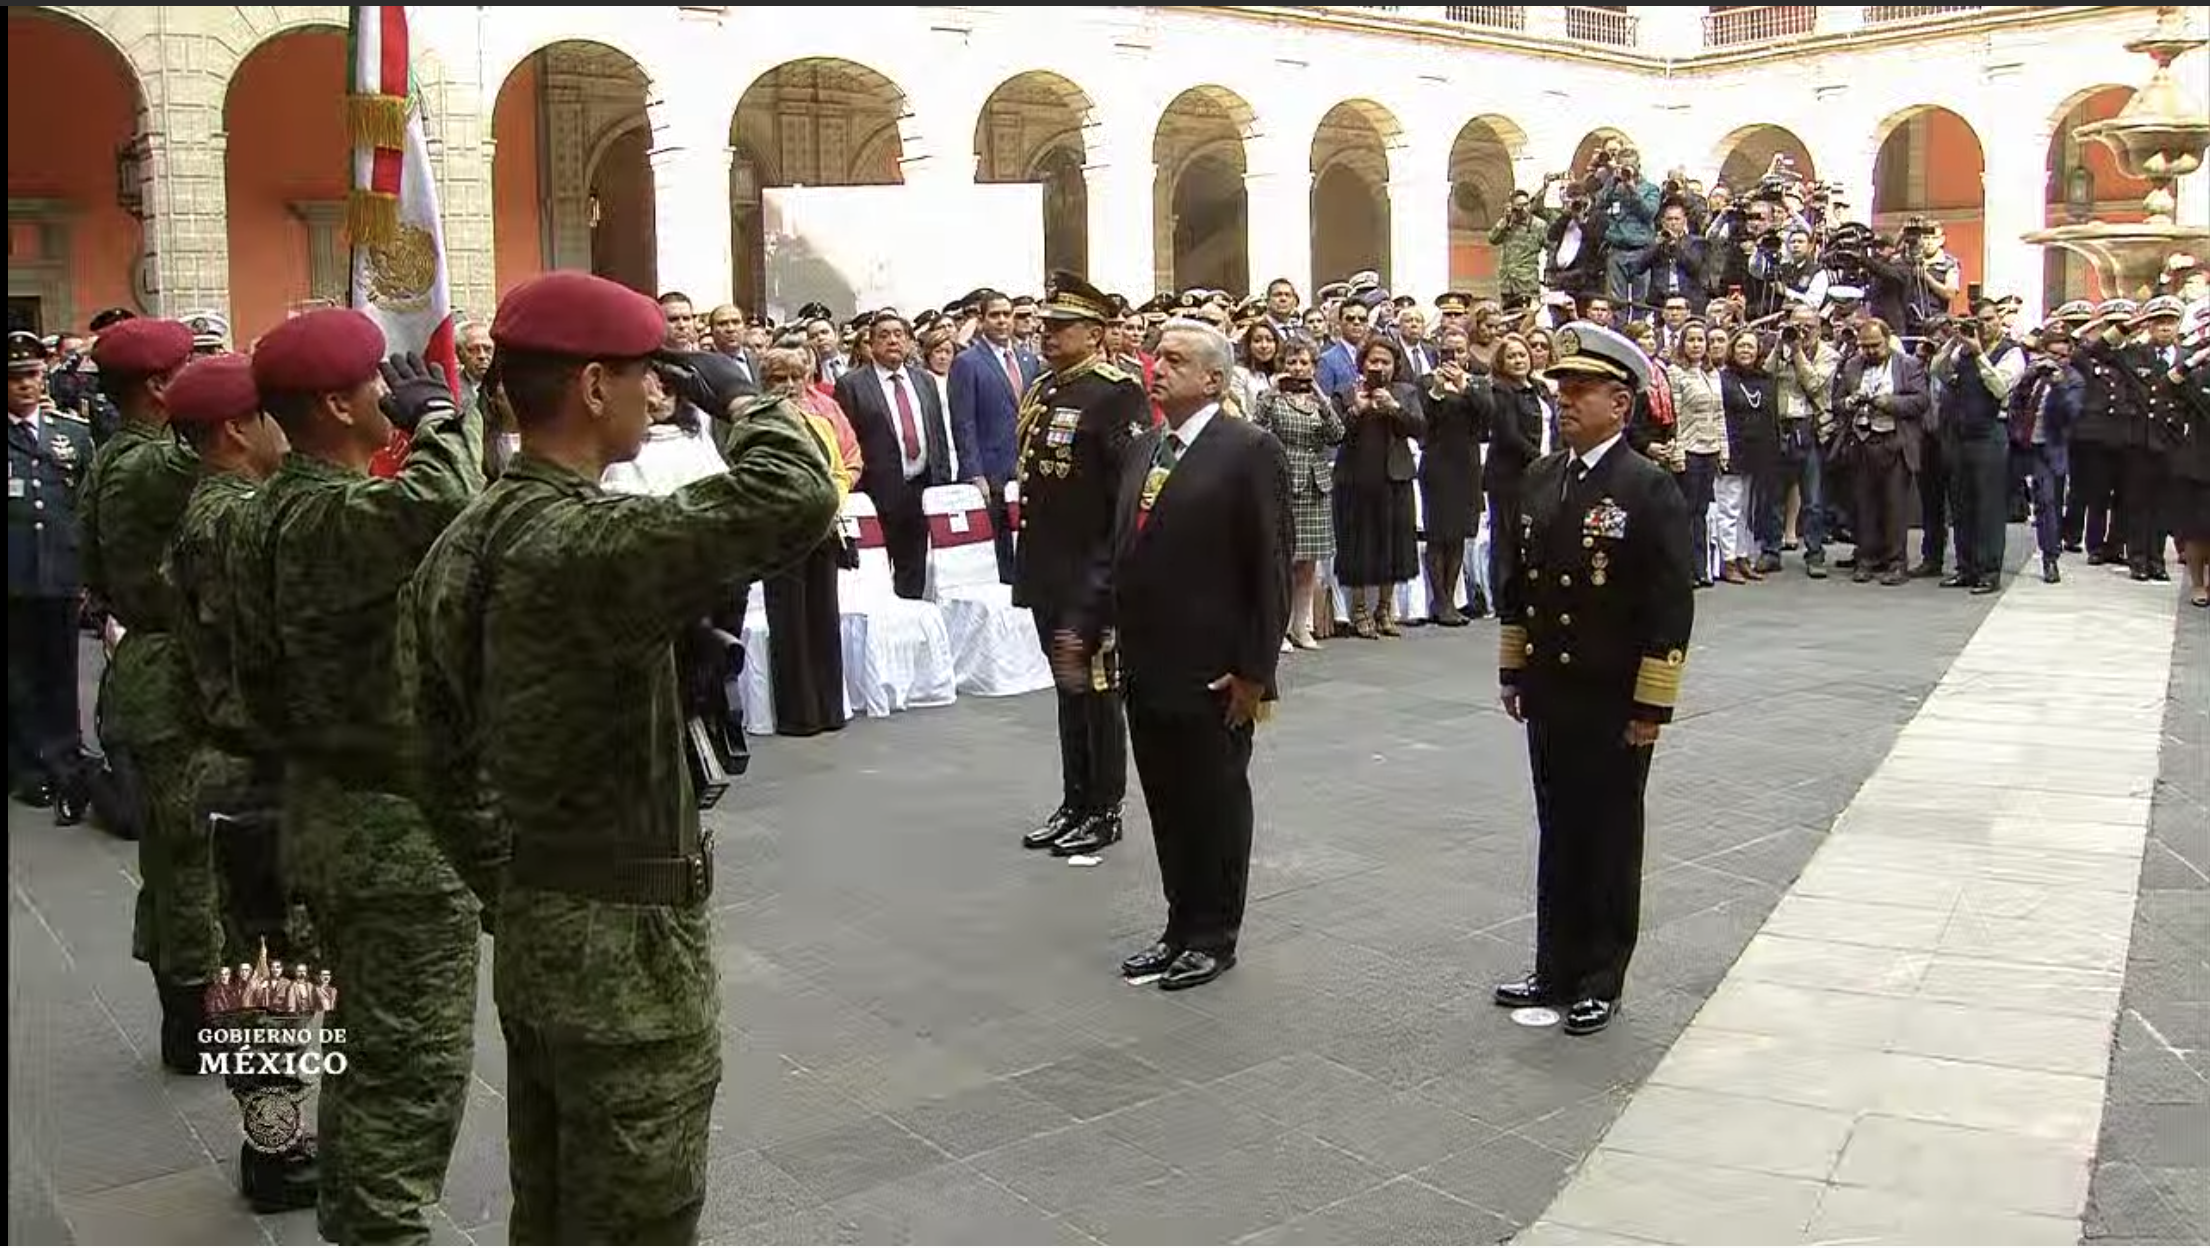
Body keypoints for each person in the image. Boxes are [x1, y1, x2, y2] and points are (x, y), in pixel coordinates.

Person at [401, 270, 838, 1243]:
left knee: (553, 1206)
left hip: (537, 921)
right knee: (640, 1213)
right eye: (651, 372)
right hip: (630, 947)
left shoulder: (463, 539)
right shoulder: (594, 541)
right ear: (593, 385)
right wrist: (738, 392)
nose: (660, 393)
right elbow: (796, 495)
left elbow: (431, 754)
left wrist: (511, 882)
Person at [237, 308, 483, 1242]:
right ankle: (380, 1229)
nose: (391, 391)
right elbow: (443, 502)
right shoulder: (328, 514)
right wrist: (440, 417)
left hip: (327, 810)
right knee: (406, 1073)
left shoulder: (268, 512)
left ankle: (356, 1214)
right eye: (379, 380)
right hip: (390, 837)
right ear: (340, 404)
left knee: (363, 1056)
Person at [1052, 318, 1292, 991]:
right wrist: (1084, 620)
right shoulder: (1145, 448)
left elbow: (1268, 569)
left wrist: (1255, 672)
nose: (1157, 367)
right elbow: (1116, 551)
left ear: (1214, 379)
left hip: (1215, 668)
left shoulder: (1249, 449)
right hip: (1148, 663)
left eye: (1176, 360)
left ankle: (1214, 935)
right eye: (1156, 355)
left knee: (1212, 803)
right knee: (1165, 801)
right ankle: (1179, 924)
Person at [1493, 321, 1695, 1037]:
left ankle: (1601, 975)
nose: (1565, 401)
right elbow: (1520, 582)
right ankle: (1553, 963)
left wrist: (1652, 705)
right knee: (1559, 828)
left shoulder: (1647, 487)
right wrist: (1514, 666)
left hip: (1614, 696)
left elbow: (1670, 607)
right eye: (1561, 389)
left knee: (1609, 833)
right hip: (1552, 690)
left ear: (1622, 402)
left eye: (1580, 390)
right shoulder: (1543, 477)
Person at [77, 316, 212, 1071]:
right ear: (161, 386)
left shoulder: (112, 457)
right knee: (195, 860)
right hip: (175, 674)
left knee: (170, 855)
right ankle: (194, 1020)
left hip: (149, 668)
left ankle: (181, 1018)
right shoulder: (156, 465)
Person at [1012, 272, 1147, 857]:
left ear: (1095, 334)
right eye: (1046, 326)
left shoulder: (1115, 393)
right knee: (1068, 688)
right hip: (1048, 564)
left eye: (1062, 328)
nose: (1049, 335)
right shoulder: (1044, 389)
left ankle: (1104, 807)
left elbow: (1127, 492)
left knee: (1097, 690)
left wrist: (1111, 576)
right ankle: (1074, 800)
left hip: (1092, 572)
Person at [8, 331, 96, 819]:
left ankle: (64, 754)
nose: (25, 385)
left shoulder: (72, 434)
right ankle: (26, 765)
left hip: (60, 570)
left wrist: (87, 570)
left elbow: (86, 502)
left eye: (32, 375)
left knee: (61, 669)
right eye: (15, 377)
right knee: (18, 673)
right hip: (13, 573)